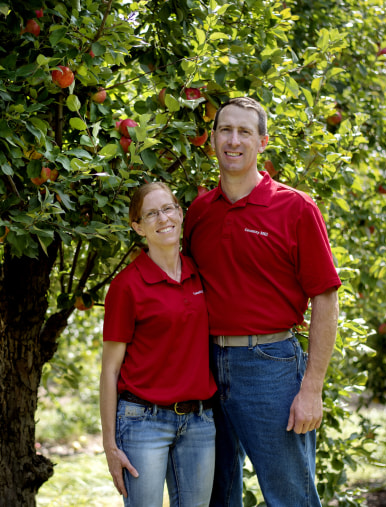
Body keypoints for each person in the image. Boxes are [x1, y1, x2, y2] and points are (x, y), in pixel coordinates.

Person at [183, 96, 341, 507]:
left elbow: (325, 299)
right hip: (204, 369)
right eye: (225, 130)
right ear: (212, 138)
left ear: (262, 141)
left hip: (270, 366)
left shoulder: (296, 208)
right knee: (214, 497)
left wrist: (312, 388)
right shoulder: (199, 212)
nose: (233, 140)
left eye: (244, 132)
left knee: (290, 496)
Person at [99, 182, 218, 507]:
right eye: (151, 214)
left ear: (180, 213)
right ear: (137, 226)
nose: (163, 219)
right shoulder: (126, 286)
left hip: (199, 422)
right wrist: (110, 445)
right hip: (143, 423)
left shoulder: (200, 273)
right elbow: (109, 371)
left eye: (168, 209)